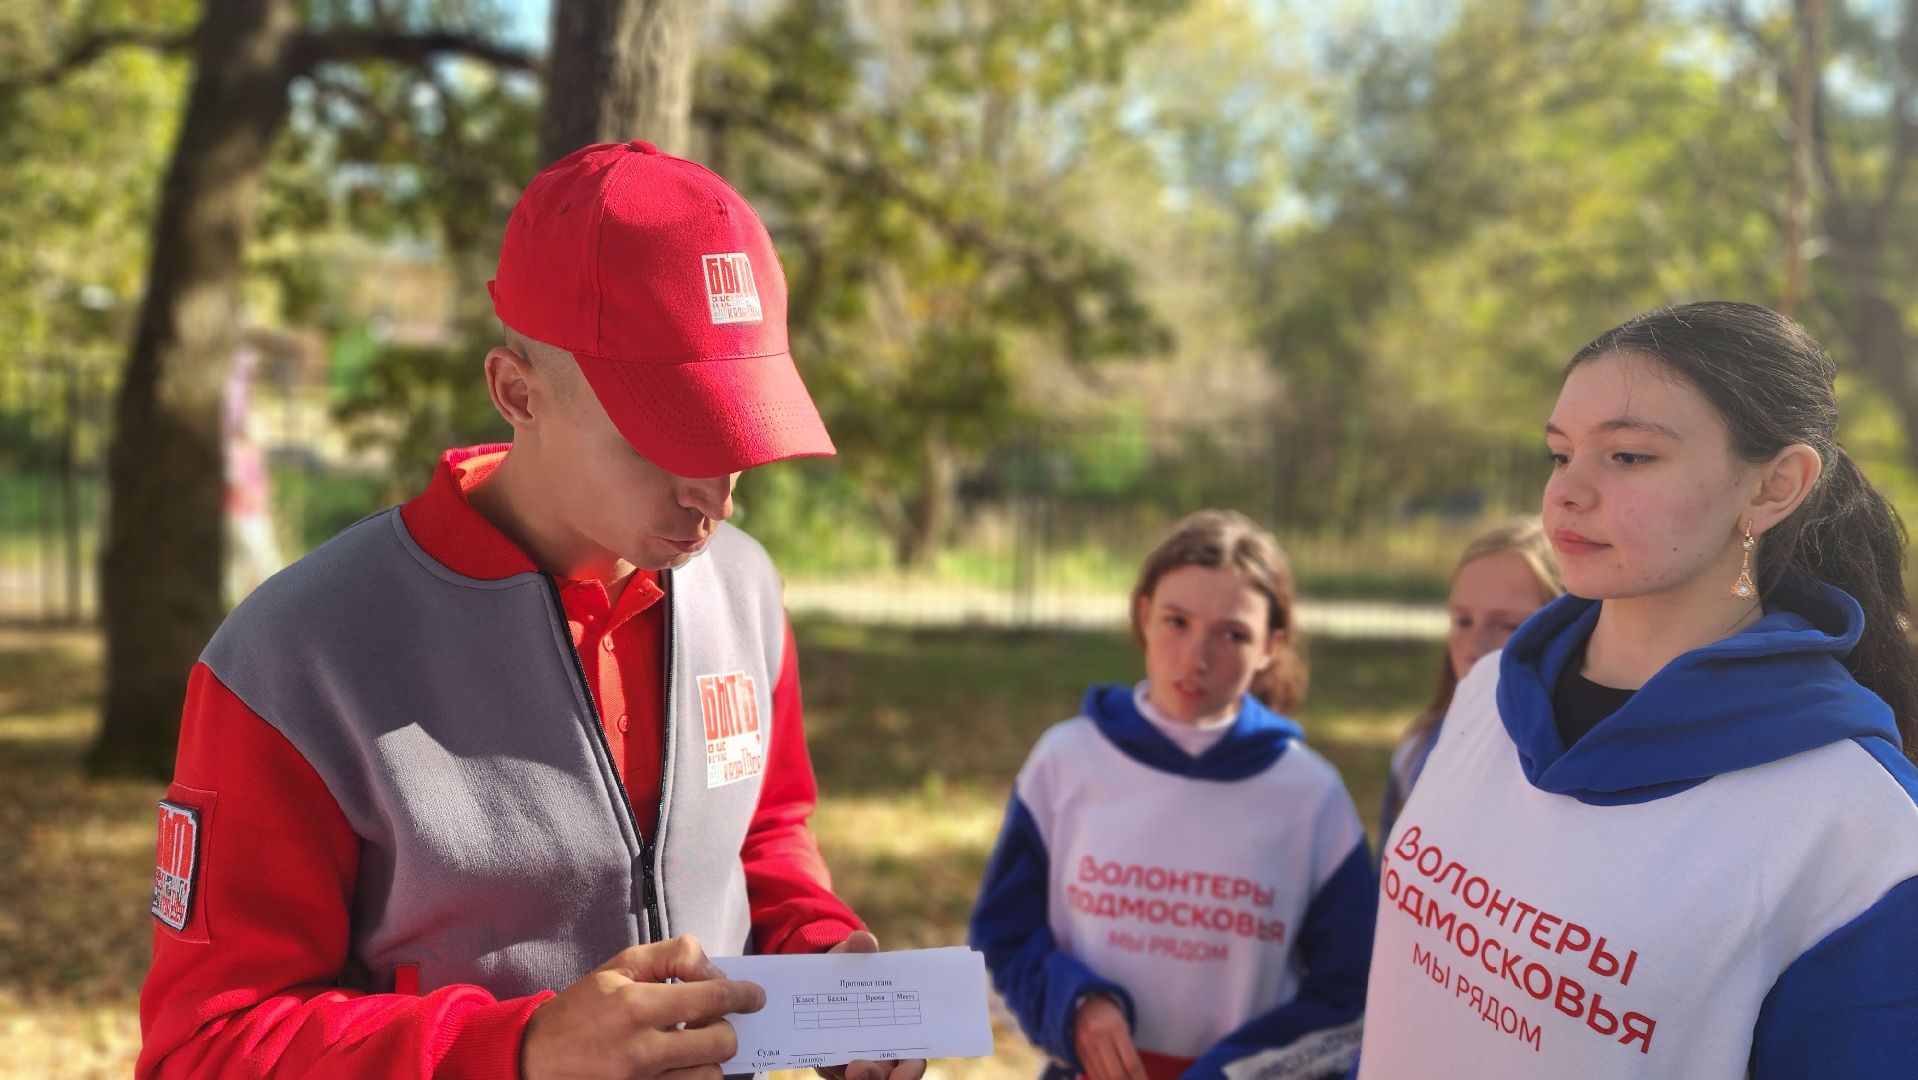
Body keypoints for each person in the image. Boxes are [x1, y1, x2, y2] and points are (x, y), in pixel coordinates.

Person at [138, 141, 927, 1080]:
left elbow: (760, 835)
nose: (713, 494)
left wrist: (820, 959)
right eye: (667, 433)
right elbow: (208, 1047)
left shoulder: (745, 589)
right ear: (517, 391)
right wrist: (521, 1051)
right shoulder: (292, 659)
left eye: (734, 434)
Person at [1355, 301, 1918, 1078]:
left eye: (1628, 457)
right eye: (1560, 455)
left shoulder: (1860, 829)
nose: (1566, 494)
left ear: (1773, 487)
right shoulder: (1487, 693)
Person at [970, 509, 1376, 1080]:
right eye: (1176, 621)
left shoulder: (1310, 795)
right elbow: (1000, 940)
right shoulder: (1066, 762)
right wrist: (1075, 1007)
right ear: (1143, 614)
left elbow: (1350, 994)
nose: (1196, 657)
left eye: (1232, 634)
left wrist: (1232, 1071)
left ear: (1271, 646)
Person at [1376, 518, 1561, 846]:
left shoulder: (1575, 773)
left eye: (1509, 626)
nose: (1475, 647)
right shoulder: (1418, 751)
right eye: (1462, 620)